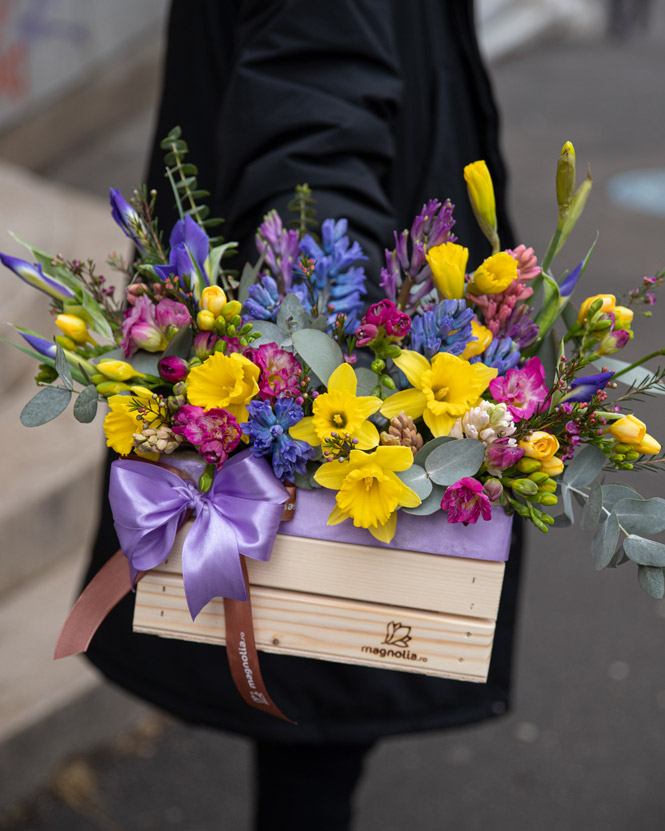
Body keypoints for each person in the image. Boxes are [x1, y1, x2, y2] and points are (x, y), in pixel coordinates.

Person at [85, 2, 522, 828]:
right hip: (352, 400)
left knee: (312, 714)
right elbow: (311, 143)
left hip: (359, 371)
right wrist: (339, 364)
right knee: (316, 708)